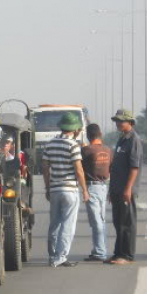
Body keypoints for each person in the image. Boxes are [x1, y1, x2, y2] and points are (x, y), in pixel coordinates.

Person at [42, 112, 89, 268]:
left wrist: (48, 187)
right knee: (68, 224)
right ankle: (60, 257)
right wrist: (85, 190)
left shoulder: (50, 144)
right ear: (75, 129)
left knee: (54, 223)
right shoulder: (73, 145)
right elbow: (79, 170)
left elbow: (45, 168)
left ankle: (52, 256)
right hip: (70, 190)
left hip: (55, 189)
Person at [106, 109, 143, 265]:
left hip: (126, 190)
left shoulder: (134, 140)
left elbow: (134, 168)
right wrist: (111, 190)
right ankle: (117, 253)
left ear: (130, 122)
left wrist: (128, 189)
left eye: (121, 121)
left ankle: (127, 255)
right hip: (116, 189)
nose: (118, 123)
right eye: (117, 121)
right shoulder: (122, 139)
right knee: (118, 222)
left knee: (127, 223)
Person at [81, 123, 113, 262]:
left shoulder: (86, 150)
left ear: (88, 135)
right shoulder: (108, 150)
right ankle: (98, 250)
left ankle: (100, 252)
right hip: (103, 187)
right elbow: (112, 170)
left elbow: (78, 168)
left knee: (96, 221)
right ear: (100, 134)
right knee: (100, 219)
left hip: (91, 187)